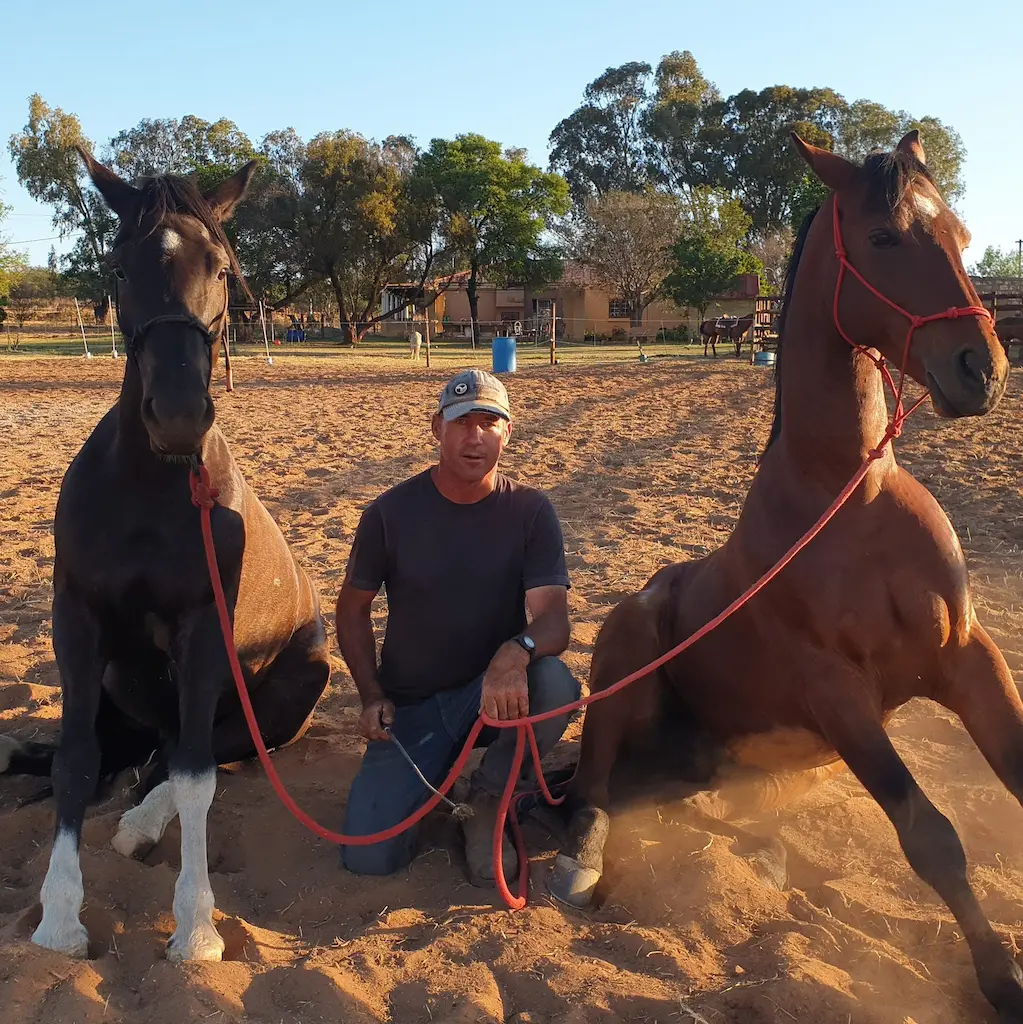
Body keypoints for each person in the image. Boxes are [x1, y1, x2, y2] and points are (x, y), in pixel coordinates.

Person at [335, 368, 579, 885]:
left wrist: (515, 651)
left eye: (489, 423)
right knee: (369, 857)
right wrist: (370, 695)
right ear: (437, 429)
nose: (475, 437)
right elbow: (352, 609)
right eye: (462, 422)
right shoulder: (389, 514)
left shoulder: (531, 511)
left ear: (507, 432)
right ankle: (435, 787)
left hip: (491, 698)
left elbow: (554, 620)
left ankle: (488, 800)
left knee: (555, 683)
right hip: (413, 708)